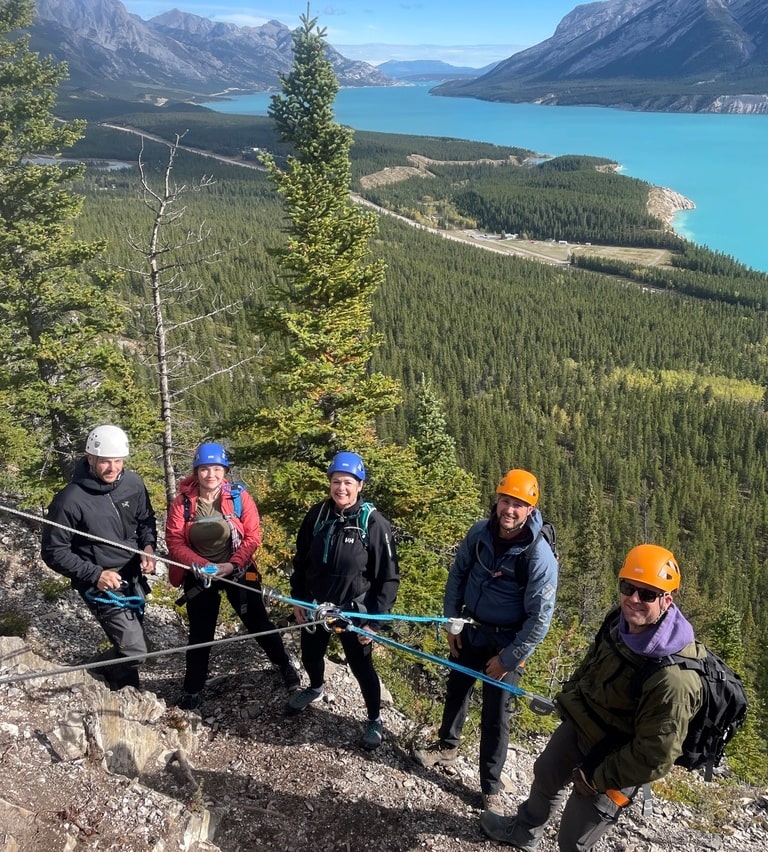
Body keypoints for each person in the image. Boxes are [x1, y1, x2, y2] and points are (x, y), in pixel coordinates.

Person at [480, 543, 705, 851]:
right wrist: (570, 697)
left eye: (648, 594)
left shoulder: (674, 679)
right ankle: (524, 831)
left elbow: (655, 755)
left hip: (621, 756)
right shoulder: (618, 622)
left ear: (667, 599)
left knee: (573, 839)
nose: (634, 599)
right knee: (546, 774)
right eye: (628, 587)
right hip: (586, 723)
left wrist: (598, 778)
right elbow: (592, 662)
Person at [413, 468, 558, 813]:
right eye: (506, 501)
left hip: (508, 642)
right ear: (497, 501)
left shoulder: (538, 557)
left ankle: (490, 786)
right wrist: (453, 623)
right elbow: (458, 574)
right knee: (457, 687)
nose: (510, 510)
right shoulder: (480, 533)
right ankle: (447, 746)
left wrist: (508, 659)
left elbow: (540, 618)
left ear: (530, 510)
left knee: (497, 714)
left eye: (518, 505)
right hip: (472, 629)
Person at [165, 442, 301, 710]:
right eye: (204, 469)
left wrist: (232, 564)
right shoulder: (183, 503)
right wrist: (202, 564)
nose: (210, 475)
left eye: (216, 469)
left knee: (258, 622)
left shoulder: (239, 497)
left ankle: (285, 665)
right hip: (200, 574)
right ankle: (193, 689)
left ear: (224, 471)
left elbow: (252, 537)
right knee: (200, 633)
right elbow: (174, 541)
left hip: (238, 570)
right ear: (196, 471)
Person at [284, 451, 400, 751]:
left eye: (348, 482)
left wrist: (373, 622)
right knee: (310, 655)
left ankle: (374, 718)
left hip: (354, 611)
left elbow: (388, 578)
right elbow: (301, 561)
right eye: (336, 482)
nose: (341, 489)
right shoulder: (318, 516)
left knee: (362, 668)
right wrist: (298, 598)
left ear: (360, 485)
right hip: (316, 606)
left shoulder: (373, 524)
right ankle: (316, 687)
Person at [41, 424, 157, 690]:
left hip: (131, 575)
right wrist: (95, 575)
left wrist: (148, 547)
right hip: (100, 582)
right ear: (90, 458)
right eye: (105, 462)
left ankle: (127, 692)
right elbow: (53, 551)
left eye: (117, 461)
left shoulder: (133, 483)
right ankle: (92, 672)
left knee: (131, 644)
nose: (112, 468)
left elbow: (145, 521)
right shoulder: (70, 500)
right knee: (135, 650)